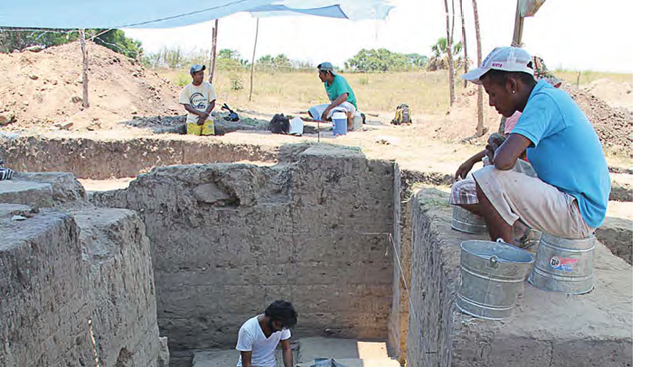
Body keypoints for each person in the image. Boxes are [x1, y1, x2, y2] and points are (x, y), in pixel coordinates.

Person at [454, 46, 610, 245]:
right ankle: (519, 233)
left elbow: (503, 162)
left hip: (579, 212)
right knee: (474, 181)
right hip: (569, 200)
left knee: (488, 178)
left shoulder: (544, 101)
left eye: (492, 94)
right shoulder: (542, 99)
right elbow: (510, 158)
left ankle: (505, 258)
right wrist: (496, 148)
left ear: (512, 84)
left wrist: (499, 151)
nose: (492, 103)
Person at [236, 300, 298, 367]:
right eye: (277, 325)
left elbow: (286, 349)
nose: (280, 330)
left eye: (283, 327)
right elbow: (246, 364)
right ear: (269, 317)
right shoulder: (247, 330)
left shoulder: (281, 324)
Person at [309, 62, 358, 130]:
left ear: (328, 73)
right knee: (313, 111)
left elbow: (344, 96)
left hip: (348, 106)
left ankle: (349, 123)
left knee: (343, 107)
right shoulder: (326, 83)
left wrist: (328, 109)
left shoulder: (338, 80)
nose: (319, 76)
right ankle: (336, 120)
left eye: (321, 73)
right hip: (335, 106)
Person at [179, 64, 217, 136]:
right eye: (199, 74)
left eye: (202, 74)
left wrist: (204, 117)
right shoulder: (187, 89)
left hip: (207, 119)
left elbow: (212, 103)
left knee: (209, 141)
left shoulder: (208, 87)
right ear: (193, 75)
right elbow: (187, 106)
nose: (202, 76)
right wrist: (200, 114)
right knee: (193, 143)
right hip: (193, 120)